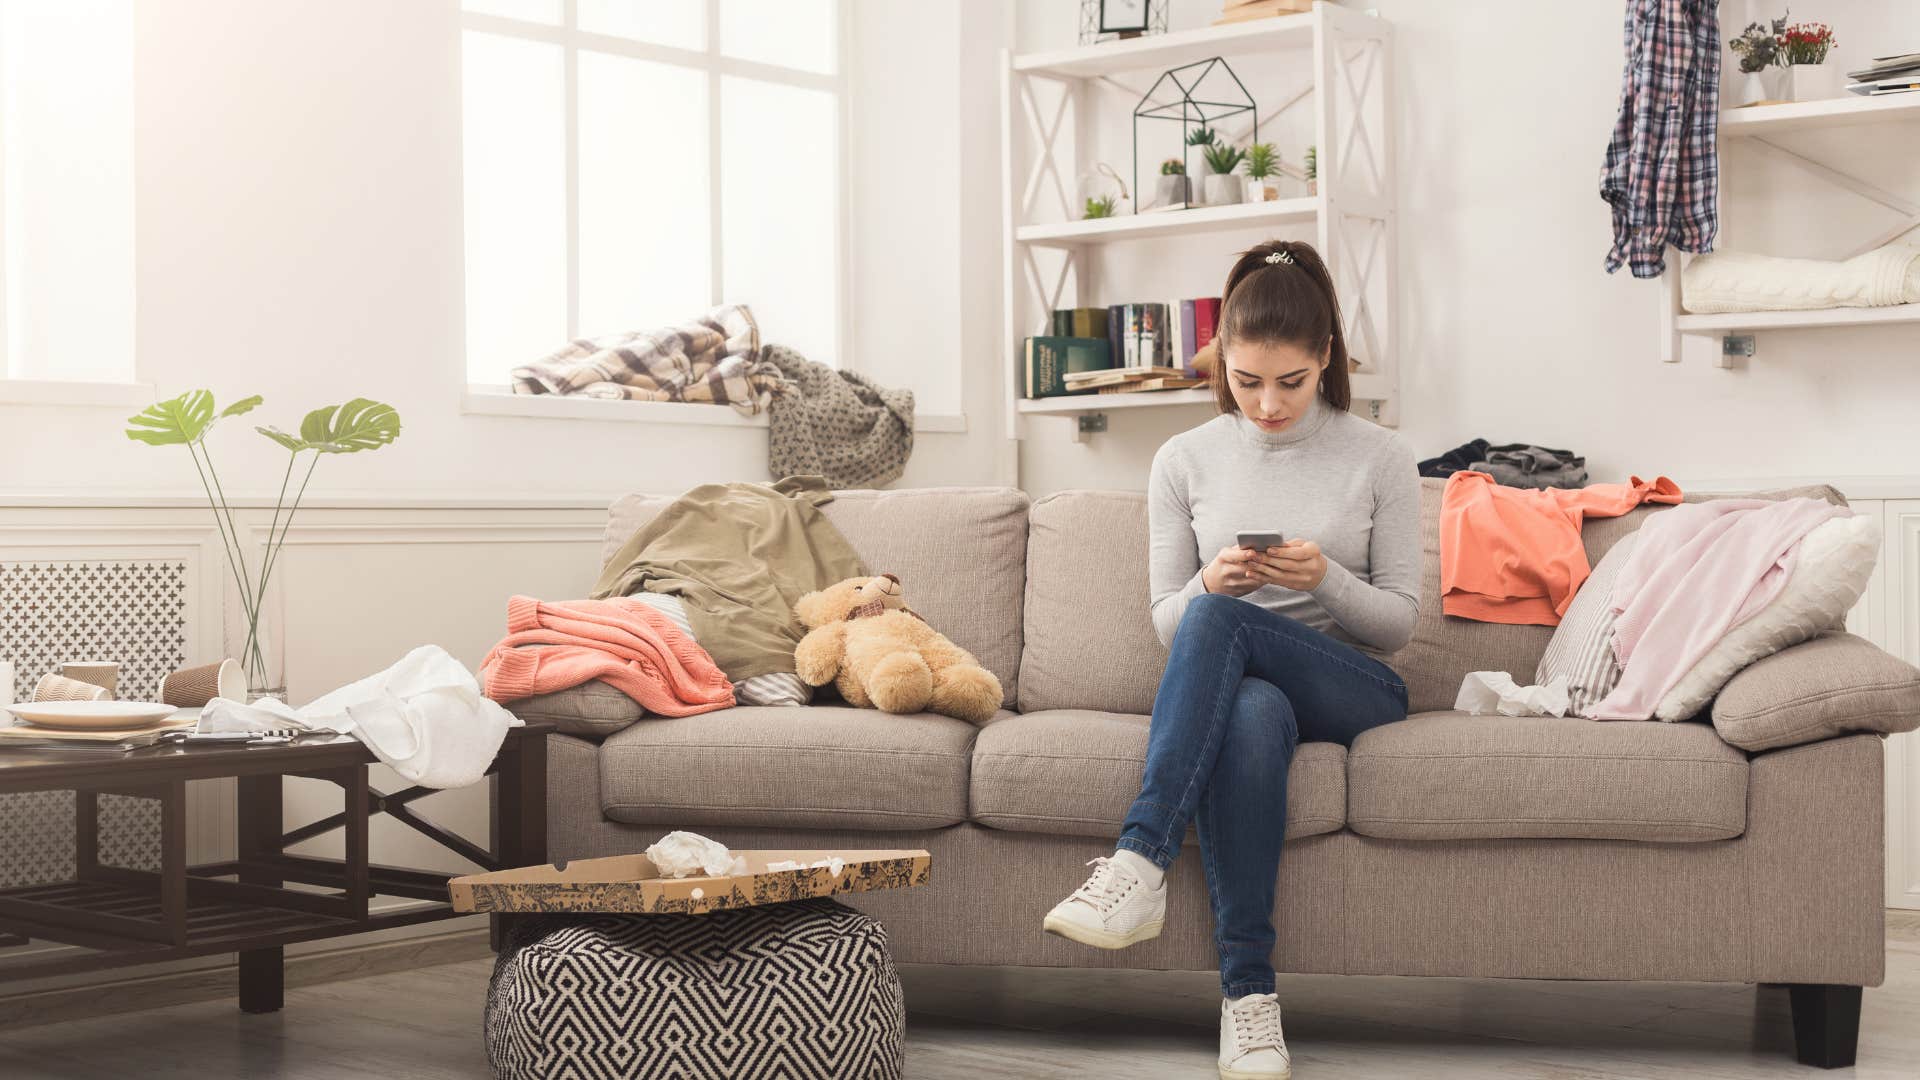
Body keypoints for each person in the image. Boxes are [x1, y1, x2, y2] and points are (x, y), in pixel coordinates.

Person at [1041, 239, 1421, 1080]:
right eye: (1247, 382)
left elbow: (1398, 624)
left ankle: (1139, 859)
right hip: (1244, 691)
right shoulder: (1184, 460)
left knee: (1221, 621)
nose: (1268, 403)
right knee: (1247, 705)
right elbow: (1168, 624)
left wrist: (1327, 579)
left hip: (1351, 684)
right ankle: (1249, 999)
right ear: (1221, 360)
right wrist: (1211, 581)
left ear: (1326, 357)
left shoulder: (1382, 455)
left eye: (1291, 381)